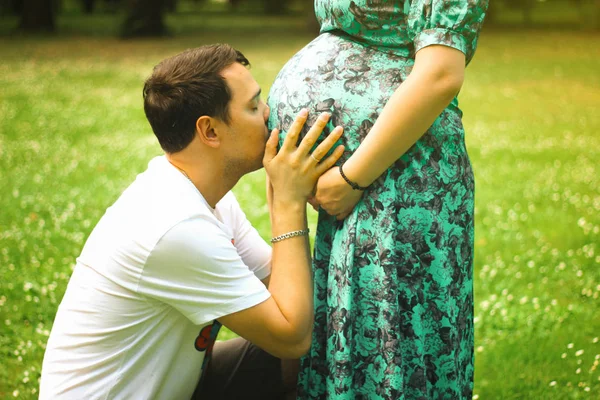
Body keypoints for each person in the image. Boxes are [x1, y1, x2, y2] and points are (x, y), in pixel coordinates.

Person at [39, 44, 344, 400]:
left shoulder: (206, 200)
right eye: (252, 105)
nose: (268, 113)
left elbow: (281, 292)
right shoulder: (174, 227)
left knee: (311, 348)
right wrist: (289, 203)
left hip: (185, 387)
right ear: (209, 131)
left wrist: (284, 188)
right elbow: (290, 336)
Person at [267, 1, 488, 399]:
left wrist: (352, 177)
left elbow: (440, 73)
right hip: (355, 185)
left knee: (394, 338)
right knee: (352, 333)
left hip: (397, 181)